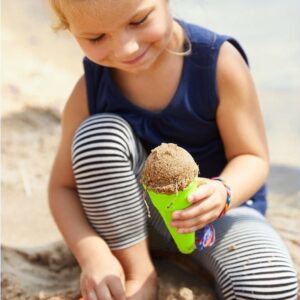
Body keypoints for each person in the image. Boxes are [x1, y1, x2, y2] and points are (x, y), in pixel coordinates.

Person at [47, 0, 298, 299]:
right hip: (130, 226)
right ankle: (139, 274)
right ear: (69, 28)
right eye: (96, 38)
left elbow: (253, 157)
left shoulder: (217, 64)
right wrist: (94, 254)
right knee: (98, 136)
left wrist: (223, 191)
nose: (126, 48)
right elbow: (62, 189)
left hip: (214, 218)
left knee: (272, 285)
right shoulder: (89, 90)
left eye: (138, 21)